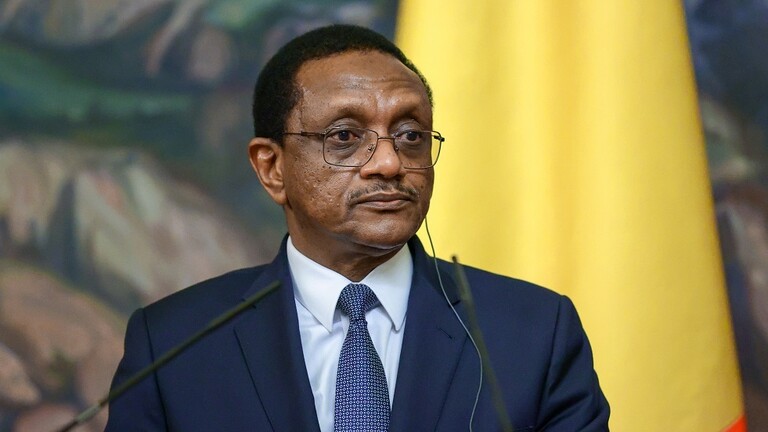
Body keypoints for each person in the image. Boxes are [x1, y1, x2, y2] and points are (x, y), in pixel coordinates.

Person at [105, 24, 609, 431]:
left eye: (410, 135)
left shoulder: (532, 332)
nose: (389, 162)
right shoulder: (173, 344)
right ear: (272, 168)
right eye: (345, 137)